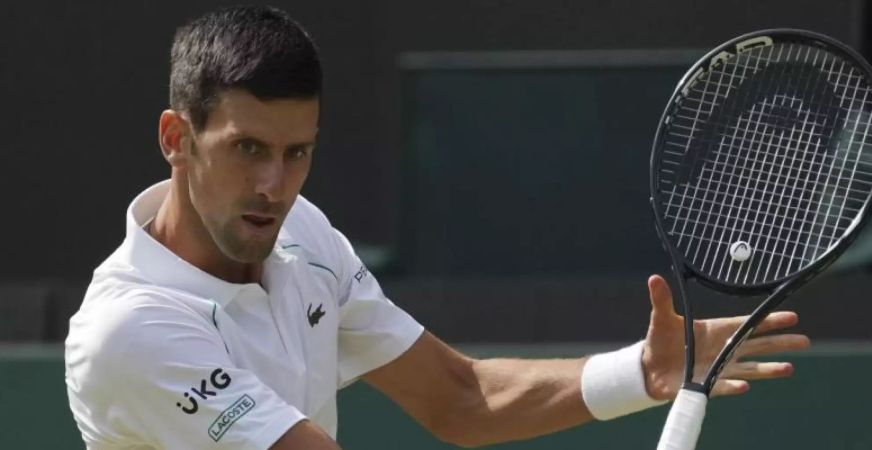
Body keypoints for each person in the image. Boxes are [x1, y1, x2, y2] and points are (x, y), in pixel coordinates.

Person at [64, 5, 809, 450]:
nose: (274, 185)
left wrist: (639, 376)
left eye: (298, 153)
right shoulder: (130, 331)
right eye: (247, 149)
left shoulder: (303, 236)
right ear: (175, 138)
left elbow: (459, 395)